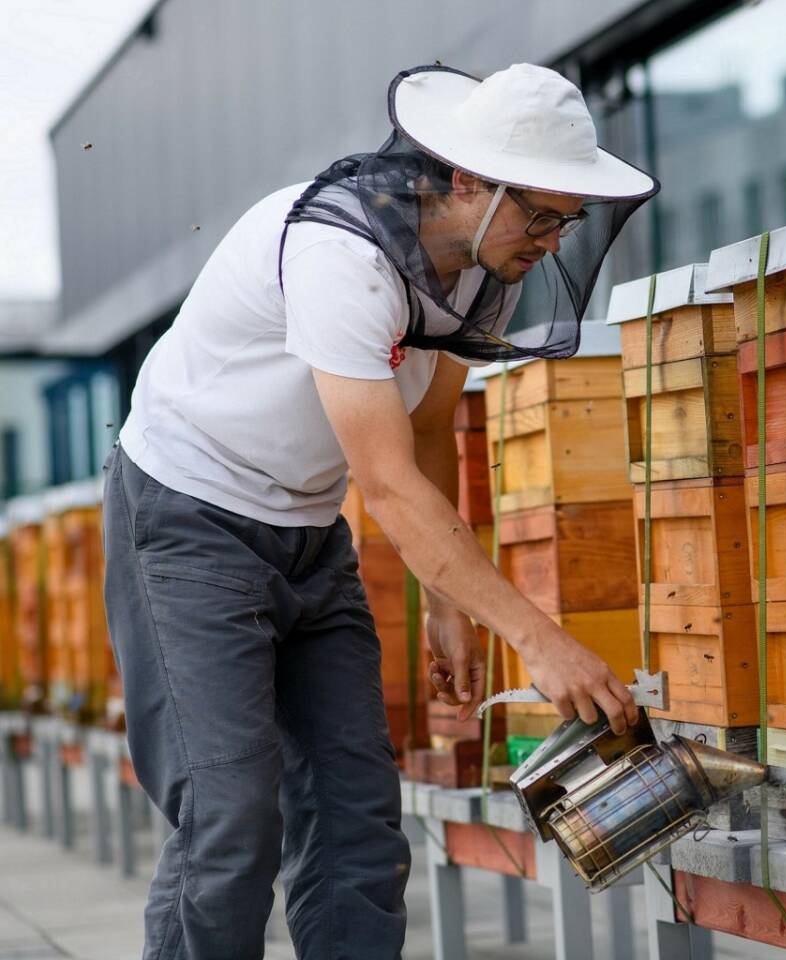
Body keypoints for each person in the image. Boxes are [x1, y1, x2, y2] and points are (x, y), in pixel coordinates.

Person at [101, 62, 658, 958]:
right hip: (188, 521)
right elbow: (390, 486)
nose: (553, 242)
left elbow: (431, 428)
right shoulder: (340, 257)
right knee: (230, 822)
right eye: (541, 215)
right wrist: (539, 639)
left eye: (569, 220)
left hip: (308, 535)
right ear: (468, 180)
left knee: (359, 821)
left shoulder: (482, 271)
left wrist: (448, 604)